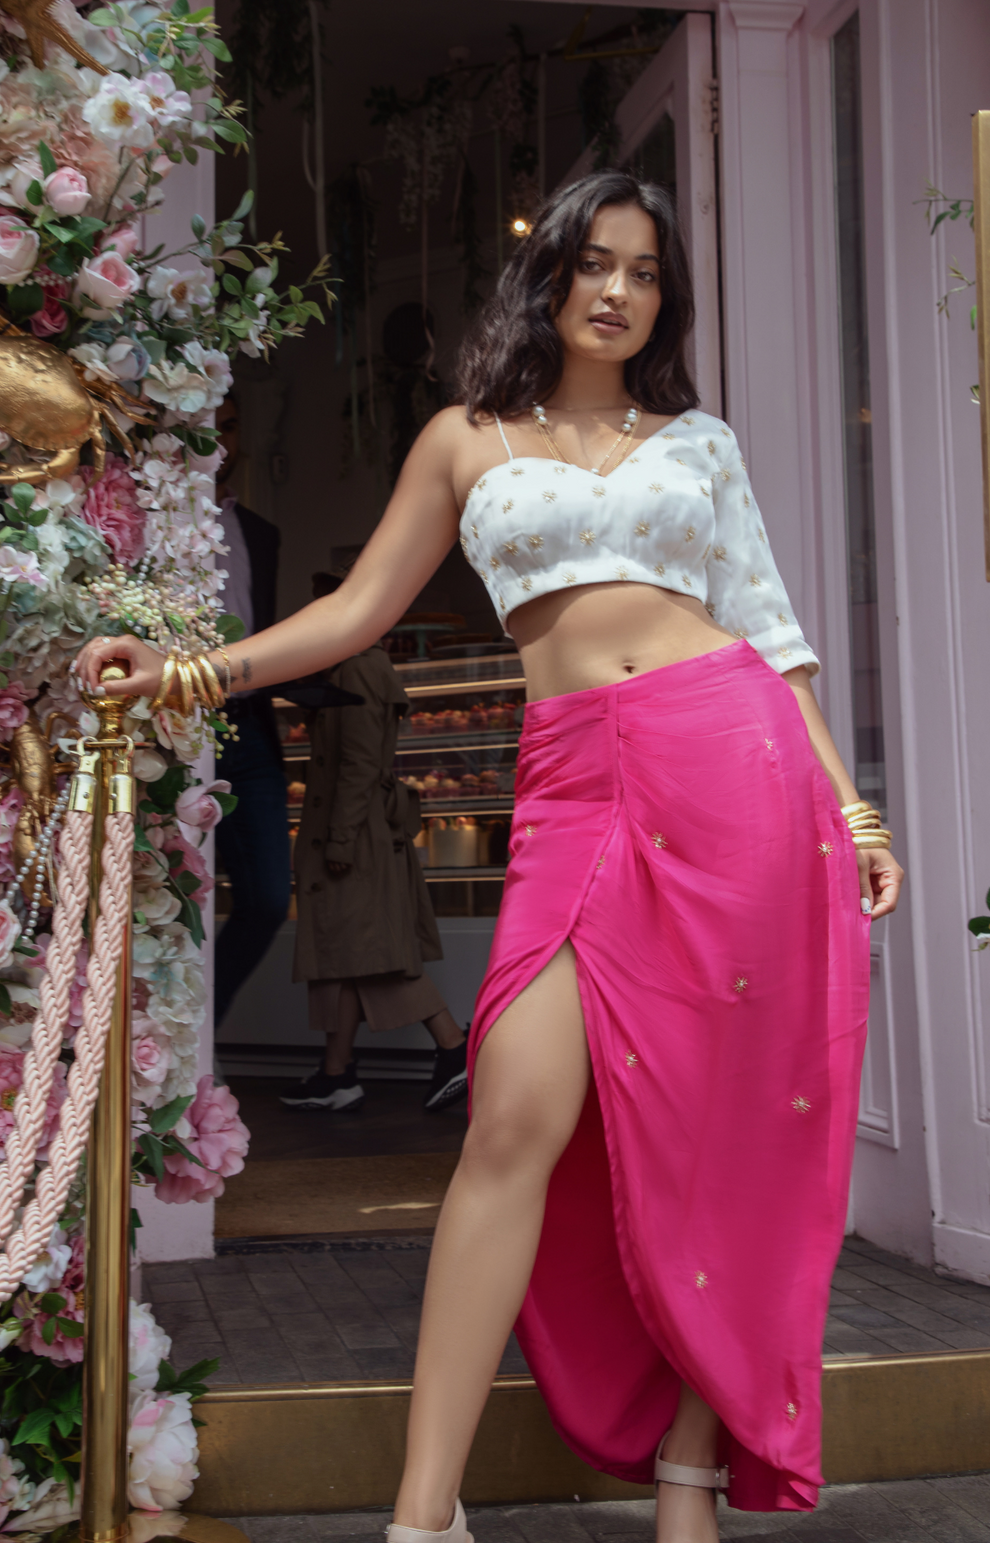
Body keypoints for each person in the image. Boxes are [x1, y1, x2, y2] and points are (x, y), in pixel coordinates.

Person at [76, 170, 902, 1543]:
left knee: (732, 1128)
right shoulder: (466, 438)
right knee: (513, 1114)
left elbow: (775, 634)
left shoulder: (700, 440)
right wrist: (186, 673)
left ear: (663, 296)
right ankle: (424, 1508)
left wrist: (854, 806)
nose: (617, 291)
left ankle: (691, 1472)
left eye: (643, 271)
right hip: (578, 781)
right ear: (549, 277)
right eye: (594, 262)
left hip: (737, 764)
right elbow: (353, 610)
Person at [280, 569, 469, 1115]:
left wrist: (339, 839)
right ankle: (336, 1073)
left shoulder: (360, 671)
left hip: (355, 837)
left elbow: (360, 766)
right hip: (351, 833)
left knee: (373, 958)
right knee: (344, 957)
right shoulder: (349, 668)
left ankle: (454, 1049)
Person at [211, 394, 291, 1028]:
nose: (219, 441)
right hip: (177, 730)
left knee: (267, 898)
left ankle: (202, 1028)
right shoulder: (149, 527)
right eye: (206, 425)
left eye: (231, 426)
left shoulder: (262, 533)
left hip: (252, 727)